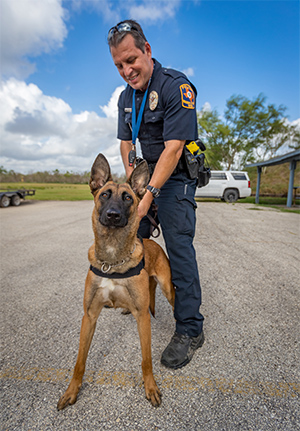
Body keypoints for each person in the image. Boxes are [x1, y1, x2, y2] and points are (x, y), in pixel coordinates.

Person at [108, 20, 204, 369]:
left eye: (131, 59)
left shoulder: (175, 85)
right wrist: (134, 186)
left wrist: (146, 196)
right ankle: (139, 298)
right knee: (135, 244)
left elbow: (174, 147)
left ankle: (191, 329)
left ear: (147, 51)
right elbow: (124, 144)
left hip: (175, 180)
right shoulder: (125, 97)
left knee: (178, 251)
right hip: (144, 181)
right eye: (119, 65)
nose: (127, 70)